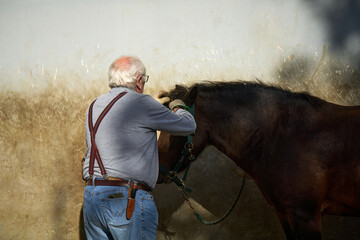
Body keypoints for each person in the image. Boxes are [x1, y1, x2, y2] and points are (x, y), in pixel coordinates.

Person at [82, 56, 196, 240]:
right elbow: (188, 126)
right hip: (127, 199)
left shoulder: (93, 105)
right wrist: (178, 104)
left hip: (92, 199)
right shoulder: (141, 103)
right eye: (145, 79)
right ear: (138, 80)